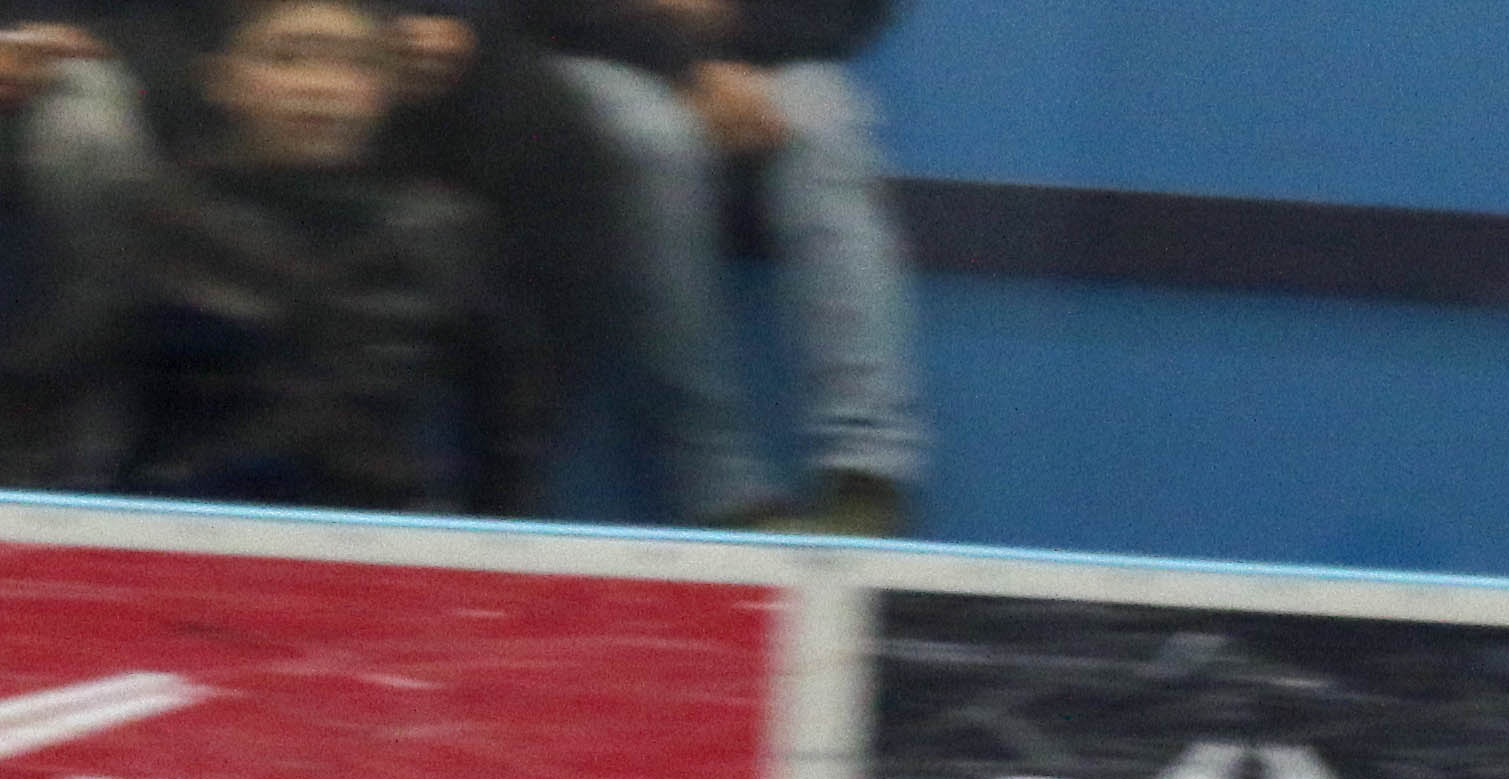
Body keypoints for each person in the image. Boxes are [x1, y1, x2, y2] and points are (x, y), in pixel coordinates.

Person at [6, 0, 542, 508]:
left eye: (352, 63)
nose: (318, 86)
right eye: (286, 57)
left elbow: (510, 427)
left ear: (388, 88)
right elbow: (45, 384)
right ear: (223, 80)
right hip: (190, 529)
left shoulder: (446, 234)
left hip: (377, 537)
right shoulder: (157, 222)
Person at [532, 0, 919, 531]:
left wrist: (737, 40)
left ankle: (867, 475)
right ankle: (720, 488)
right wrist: (688, 62)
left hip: (767, 56)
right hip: (601, 50)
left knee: (824, 127)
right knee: (656, 143)